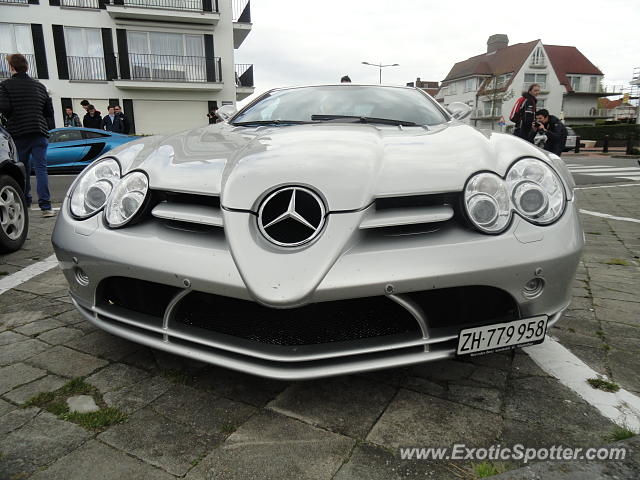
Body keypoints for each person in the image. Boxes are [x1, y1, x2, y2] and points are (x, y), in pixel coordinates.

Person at [0, 53, 55, 217]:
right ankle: (46, 207)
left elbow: (4, 108)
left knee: (22, 170)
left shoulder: (5, 85)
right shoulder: (39, 86)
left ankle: (25, 203)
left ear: (11, 67)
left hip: (19, 133)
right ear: (27, 67)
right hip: (39, 132)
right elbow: (49, 112)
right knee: (41, 169)